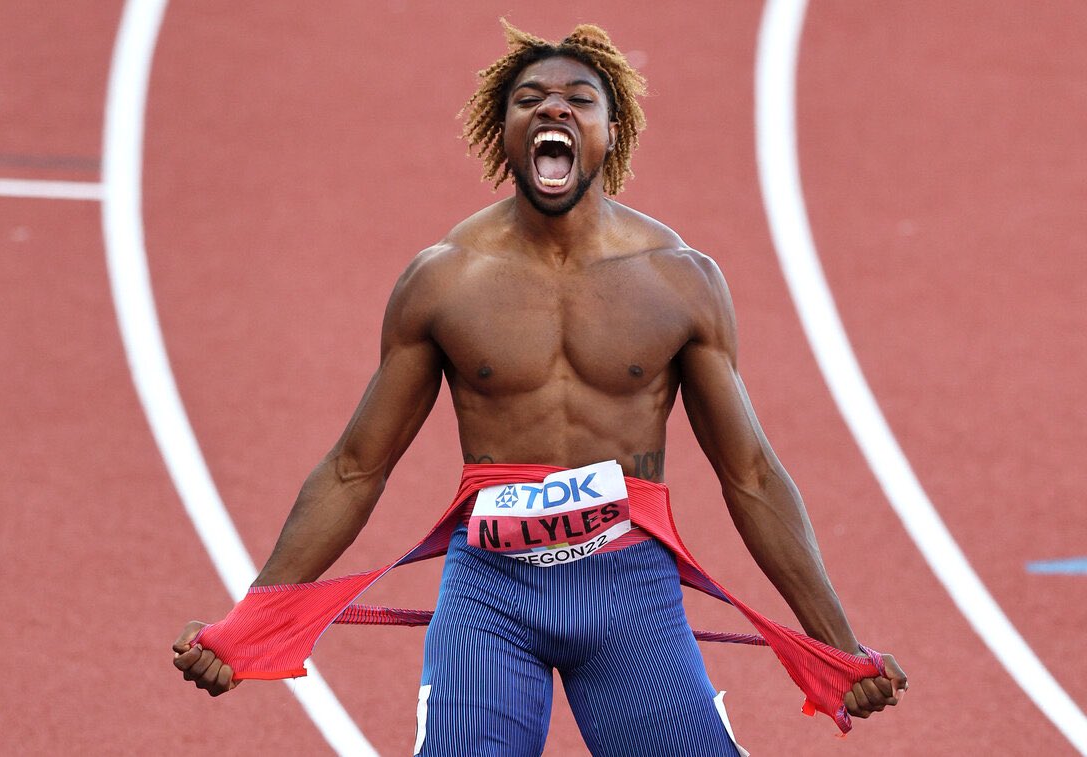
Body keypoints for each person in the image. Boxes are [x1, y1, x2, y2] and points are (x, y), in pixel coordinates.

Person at [173, 20, 907, 756]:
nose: (554, 108)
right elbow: (355, 467)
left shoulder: (679, 280)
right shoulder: (445, 280)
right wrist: (253, 617)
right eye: (531, 98)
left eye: (578, 99)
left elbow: (750, 474)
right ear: (505, 130)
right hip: (491, 594)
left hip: (630, 593)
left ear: (610, 133)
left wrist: (835, 643)